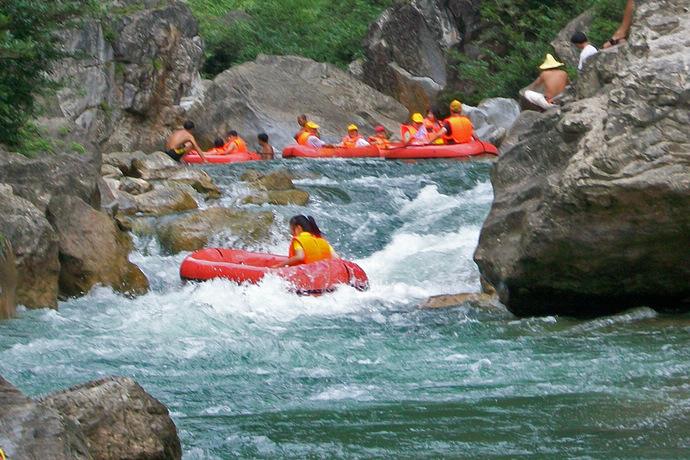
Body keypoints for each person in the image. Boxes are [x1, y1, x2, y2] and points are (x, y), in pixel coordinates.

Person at [272, 215, 337, 268]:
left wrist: (279, 266)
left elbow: (300, 257)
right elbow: (336, 258)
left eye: (291, 229)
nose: (291, 233)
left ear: (298, 228)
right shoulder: (322, 241)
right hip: (322, 273)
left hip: (307, 274)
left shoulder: (299, 240)